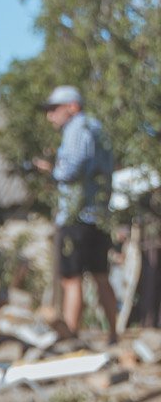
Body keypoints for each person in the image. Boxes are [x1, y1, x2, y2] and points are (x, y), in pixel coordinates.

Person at [33, 85, 118, 342]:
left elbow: (70, 170)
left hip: (77, 216)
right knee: (101, 276)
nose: (50, 117)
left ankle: (71, 335)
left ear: (72, 107)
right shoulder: (97, 129)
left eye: (54, 110)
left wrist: (51, 170)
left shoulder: (77, 129)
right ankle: (113, 334)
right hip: (98, 215)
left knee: (72, 279)